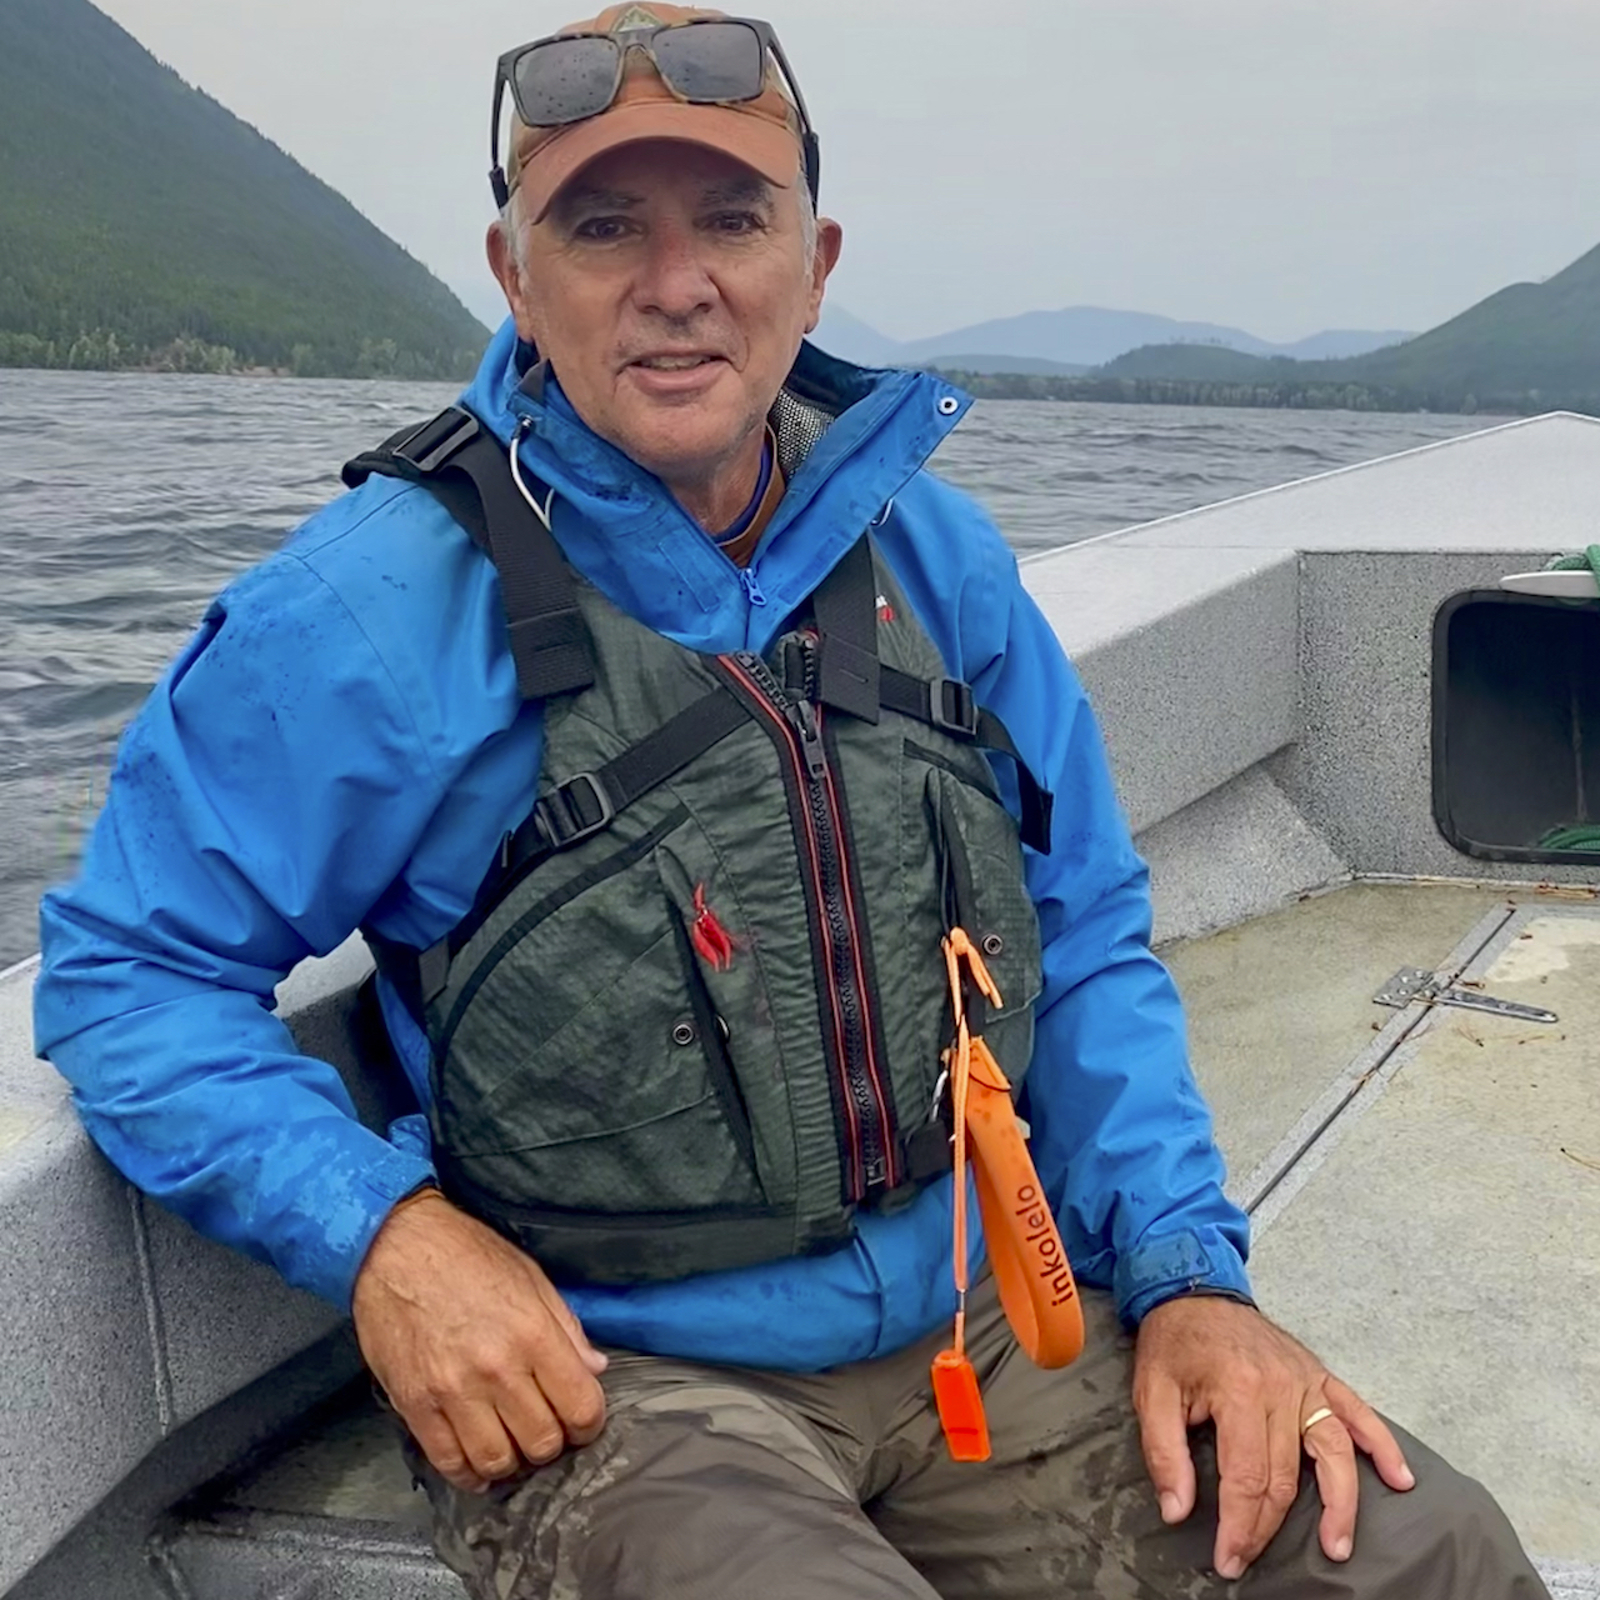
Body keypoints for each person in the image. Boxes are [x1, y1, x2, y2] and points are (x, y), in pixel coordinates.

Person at [35, 7, 1549, 1598]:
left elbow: (1084, 927)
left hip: (984, 1316)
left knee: (1427, 1554)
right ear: (513, 273)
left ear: (815, 262)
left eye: (733, 220)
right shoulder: (354, 620)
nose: (676, 283)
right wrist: (386, 1236)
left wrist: (1185, 1273)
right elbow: (129, 978)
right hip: (617, 1384)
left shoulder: (939, 561)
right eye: (603, 225)